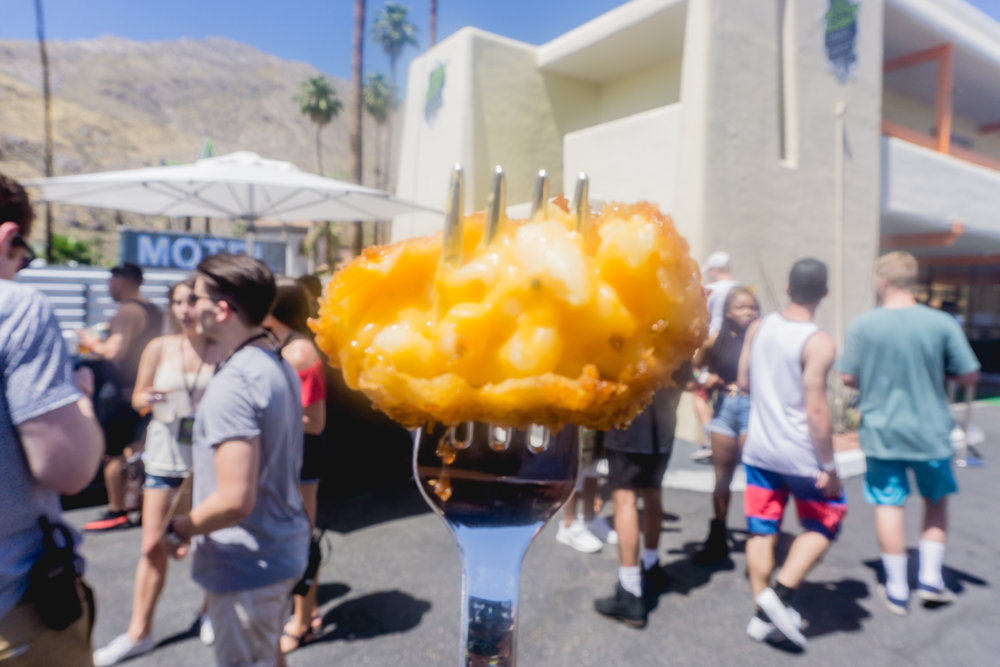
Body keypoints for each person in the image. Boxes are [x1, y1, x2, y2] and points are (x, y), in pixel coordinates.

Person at [160, 253, 310, 667]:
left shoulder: (237, 381)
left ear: (222, 309)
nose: (189, 307)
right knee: (269, 655)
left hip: (248, 562)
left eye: (196, 297)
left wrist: (178, 530)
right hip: (275, 550)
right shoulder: (274, 361)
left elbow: (233, 500)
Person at [838, 252, 979, 615]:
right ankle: (930, 578)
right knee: (935, 501)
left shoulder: (863, 326)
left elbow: (847, 377)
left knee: (889, 502)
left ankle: (897, 587)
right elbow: (968, 374)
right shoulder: (941, 323)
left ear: (882, 281)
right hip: (929, 429)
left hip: (882, 428)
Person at [0, 172, 104, 664]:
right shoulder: (16, 308)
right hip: (16, 612)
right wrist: (81, 401)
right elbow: (68, 468)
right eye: (24, 258)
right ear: (7, 239)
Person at [92, 279, 223, 665]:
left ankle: (208, 611)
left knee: (211, 545)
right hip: (165, 458)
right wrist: (148, 399)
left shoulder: (221, 348)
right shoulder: (159, 347)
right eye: (178, 302)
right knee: (152, 546)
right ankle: (139, 632)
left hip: (208, 463)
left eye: (191, 301)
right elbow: (137, 398)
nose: (184, 309)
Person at [738, 258, 845, 648]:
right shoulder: (819, 342)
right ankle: (776, 600)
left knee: (762, 529)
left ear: (787, 288)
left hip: (760, 450)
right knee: (827, 520)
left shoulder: (759, 327)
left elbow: (744, 381)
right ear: (825, 295)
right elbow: (816, 411)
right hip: (801, 456)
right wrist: (830, 467)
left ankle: (761, 613)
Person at [593, 366, 688, 629]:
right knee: (653, 493)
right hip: (664, 426)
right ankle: (651, 564)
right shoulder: (678, 332)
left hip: (630, 426)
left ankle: (630, 589)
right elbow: (684, 379)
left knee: (625, 500)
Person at [263, 277, 328, 654]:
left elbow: (314, 421)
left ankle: (303, 622)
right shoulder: (286, 346)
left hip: (301, 457)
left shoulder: (299, 353)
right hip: (290, 455)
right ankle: (307, 610)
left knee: (301, 538)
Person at [78, 263, 164, 531]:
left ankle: (117, 511)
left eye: (111, 280)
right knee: (134, 450)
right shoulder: (154, 310)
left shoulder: (127, 311)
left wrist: (89, 341)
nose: (108, 287)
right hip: (142, 389)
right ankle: (134, 505)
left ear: (123, 281)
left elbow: (114, 351)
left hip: (120, 392)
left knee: (113, 456)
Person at [692, 287, 760, 565]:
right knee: (722, 477)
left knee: (757, 475)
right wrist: (706, 379)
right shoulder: (715, 340)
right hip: (724, 409)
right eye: (741, 307)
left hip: (753, 409)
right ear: (728, 312)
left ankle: (761, 536)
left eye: (752, 307)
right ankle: (717, 534)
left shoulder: (761, 338)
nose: (748, 312)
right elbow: (694, 367)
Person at [691, 251, 741, 461]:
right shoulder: (740, 289)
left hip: (713, 347)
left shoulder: (711, 289)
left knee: (699, 393)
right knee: (730, 391)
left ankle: (712, 438)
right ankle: (731, 438)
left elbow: (702, 318)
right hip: (736, 347)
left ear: (714, 270)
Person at [556, 429, 616, 553]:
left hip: (597, 416)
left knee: (593, 465)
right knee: (577, 464)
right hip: (577, 418)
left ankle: (590, 519)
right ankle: (569, 525)